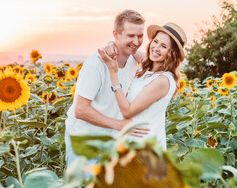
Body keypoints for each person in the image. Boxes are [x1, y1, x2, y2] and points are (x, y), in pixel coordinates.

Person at [65, 10, 149, 166]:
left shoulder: (133, 60)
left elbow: (154, 61)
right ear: (115, 34)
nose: (136, 41)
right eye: (130, 36)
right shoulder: (96, 64)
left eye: (140, 36)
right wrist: (121, 125)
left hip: (110, 141)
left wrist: (134, 51)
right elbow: (81, 110)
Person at [98, 22, 187, 150]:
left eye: (163, 46)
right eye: (155, 41)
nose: (156, 48)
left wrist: (113, 73)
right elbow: (132, 50)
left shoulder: (163, 80)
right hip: (133, 143)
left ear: (171, 53)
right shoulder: (149, 65)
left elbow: (127, 112)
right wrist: (110, 44)